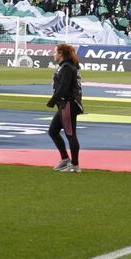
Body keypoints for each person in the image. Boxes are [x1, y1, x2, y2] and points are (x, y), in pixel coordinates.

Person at [46, 43, 84, 173]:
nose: (54, 54)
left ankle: (75, 165)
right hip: (64, 104)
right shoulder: (67, 66)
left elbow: (64, 88)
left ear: (61, 54)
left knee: (70, 134)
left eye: (55, 52)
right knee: (53, 131)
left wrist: (52, 101)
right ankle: (65, 159)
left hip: (68, 103)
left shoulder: (67, 67)